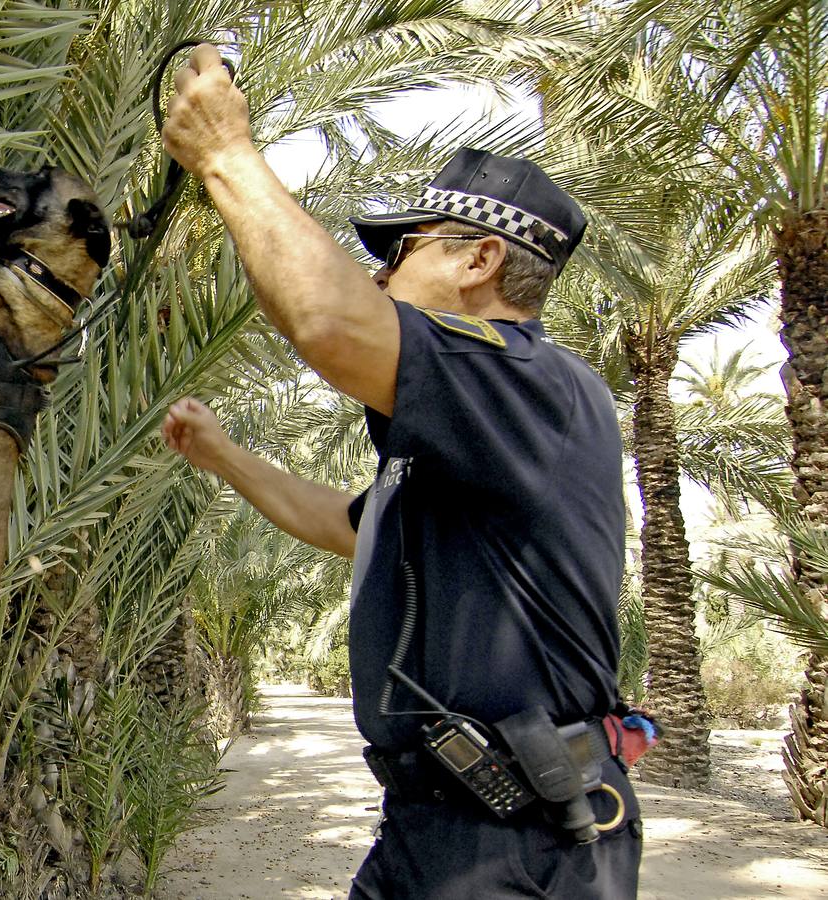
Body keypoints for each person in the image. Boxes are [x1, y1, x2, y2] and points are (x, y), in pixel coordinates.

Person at [157, 45, 641, 898]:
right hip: (434, 829)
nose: (380, 272)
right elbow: (349, 525)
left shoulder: (527, 380)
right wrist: (225, 455)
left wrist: (228, 155)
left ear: (477, 260)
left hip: (520, 844)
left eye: (401, 248)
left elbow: (330, 323)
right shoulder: (476, 425)